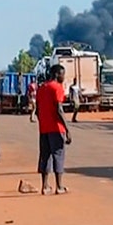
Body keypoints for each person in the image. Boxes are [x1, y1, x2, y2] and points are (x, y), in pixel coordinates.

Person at [36, 65, 72, 194]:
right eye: (63, 74)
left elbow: (37, 111)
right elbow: (59, 109)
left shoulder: (41, 89)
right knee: (58, 156)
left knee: (44, 156)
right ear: (57, 74)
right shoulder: (57, 88)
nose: (63, 77)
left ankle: (45, 186)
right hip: (57, 128)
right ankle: (59, 186)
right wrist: (67, 129)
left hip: (43, 129)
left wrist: (43, 122)